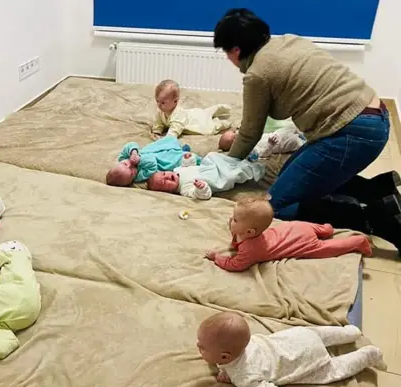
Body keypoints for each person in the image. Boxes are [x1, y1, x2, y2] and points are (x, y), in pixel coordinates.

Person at [213, 8, 401, 253]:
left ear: (236, 50)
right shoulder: (290, 40)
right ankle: (376, 189)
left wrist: (226, 164)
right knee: (291, 174)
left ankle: (374, 218)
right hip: (375, 115)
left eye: (226, 52)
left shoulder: (257, 74)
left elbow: (250, 132)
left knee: (273, 208)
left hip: (352, 133)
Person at [196, 312, 386, 387]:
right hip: (298, 337)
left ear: (224, 357)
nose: (198, 346)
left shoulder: (245, 379)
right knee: (320, 334)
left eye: (202, 347)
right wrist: (225, 372)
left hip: (306, 359)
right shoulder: (246, 343)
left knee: (334, 370)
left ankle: (368, 355)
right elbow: (234, 361)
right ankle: (349, 333)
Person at [205, 195, 372, 272]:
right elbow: (237, 233)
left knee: (325, 248)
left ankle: (357, 242)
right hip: (297, 227)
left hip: (301, 243)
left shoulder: (250, 249)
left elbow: (236, 265)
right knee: (316, 228)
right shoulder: (246, 232)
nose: (230, 220)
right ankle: (326, 229)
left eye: (234, 219)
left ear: (249, 231)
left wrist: (217, 258)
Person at [146, 151, 264, 199]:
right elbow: (201, 195)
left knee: (211, 155)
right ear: (168, 192)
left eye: (164, 173)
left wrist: (188, 159)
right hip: (217, 179)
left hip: (209, 167)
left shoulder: (177, 169)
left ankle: (238, 161)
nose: (166, 176)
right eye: (164, 182)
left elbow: (189, 166)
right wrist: (201, 188)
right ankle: (252, 169)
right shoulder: (184, 189)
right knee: (231, 176)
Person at [151, 79, 232, 138]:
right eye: (157, 101)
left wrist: (168, 139)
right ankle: (213, 110)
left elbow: (175, 130)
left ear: (175, 101)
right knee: (205, 112)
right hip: (192, 113)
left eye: (162, 103)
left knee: (209, 128)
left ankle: (222, 123)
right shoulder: (161, 110)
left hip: (196, 121)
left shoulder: (178, 115)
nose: (159, 105)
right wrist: (157, 131)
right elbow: (159, 122)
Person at [105, 136, 187, 186]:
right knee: (179, 158)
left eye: (125, 164)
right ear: (132, 179)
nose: (130, 165)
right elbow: (152, 164)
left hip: (154, 149)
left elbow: (130, 144)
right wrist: (140, 160)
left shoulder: (123, 158)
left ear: (120, 162)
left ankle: (180, 148)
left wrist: (133, 152)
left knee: (170, 140)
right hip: (162, 160)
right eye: (131, 172)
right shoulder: (140, 176)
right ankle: (183, 151)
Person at [219, 123, 306, 159]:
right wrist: (270, 145)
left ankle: (305, 133)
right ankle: (307, 142)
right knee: (296, 142)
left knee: (291, 126)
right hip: (279, 143)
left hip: (277, 133)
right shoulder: (247, 151)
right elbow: (262, 154)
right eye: (234, 137)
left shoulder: (247, 138)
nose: (237, 133)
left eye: (234, 132)